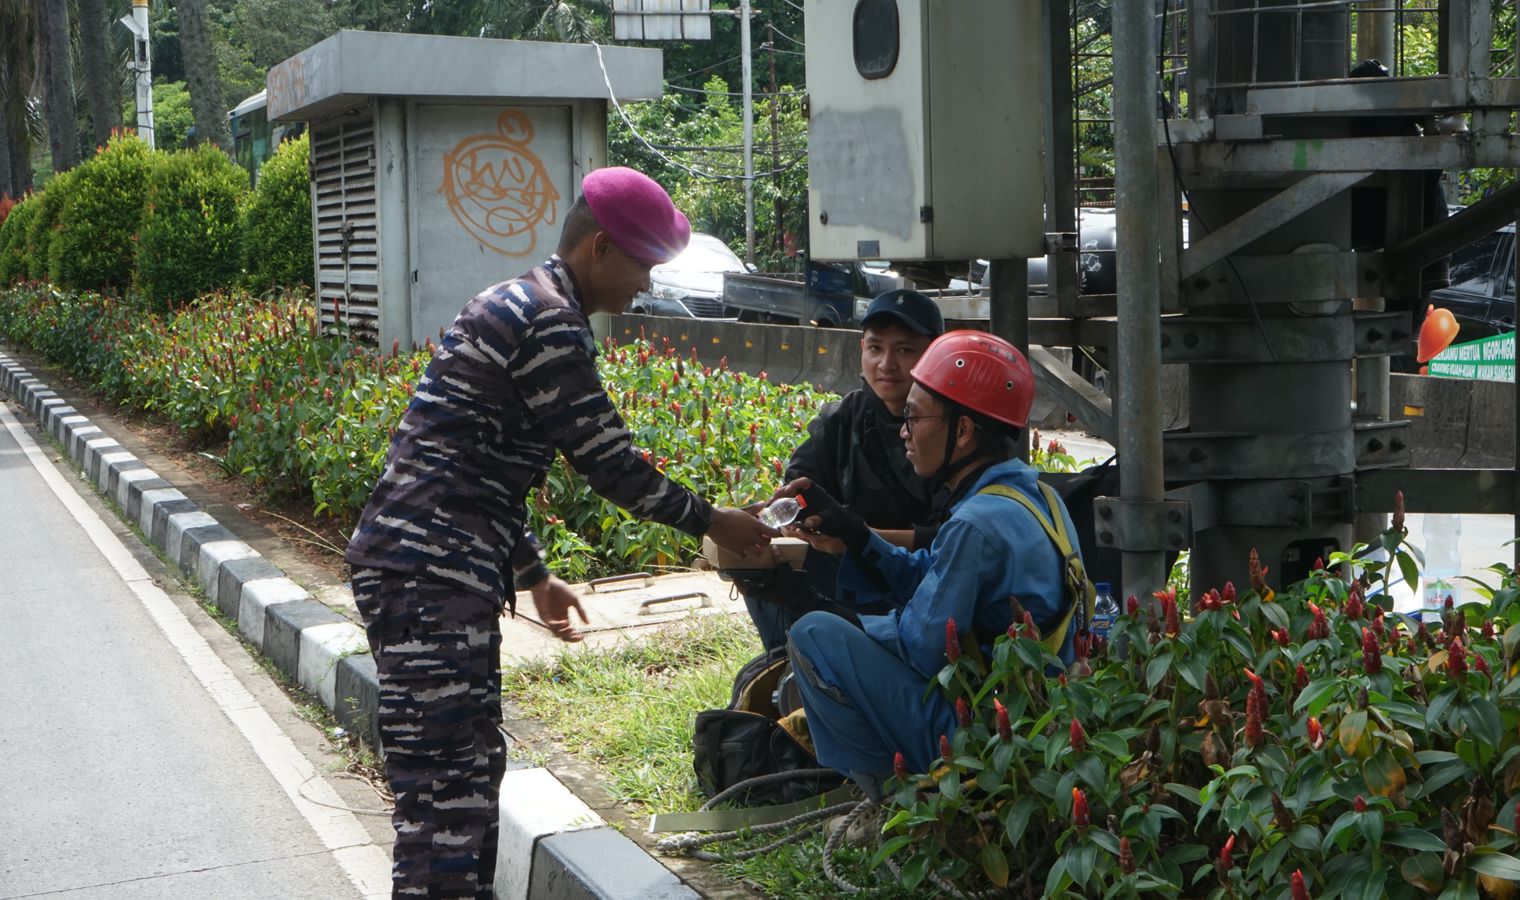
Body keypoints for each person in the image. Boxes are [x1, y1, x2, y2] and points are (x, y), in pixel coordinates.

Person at [345, 166, 773, 899]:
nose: (646, 284)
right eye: (643, 265)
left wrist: (534, 575)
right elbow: (607, 461)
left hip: (433, 569)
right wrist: (713, 522)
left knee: (472, 778)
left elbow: (467, 464)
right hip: (428, 578)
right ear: (601, 250)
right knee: (445, 803)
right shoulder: (549, 321)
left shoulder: (513, 300)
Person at [778, 330, 1092, 793]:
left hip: (986, 734)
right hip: (1041, 721)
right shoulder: (1038, 497)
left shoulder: (976, 523)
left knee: (814, 636)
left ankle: (889, 799)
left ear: (962, 432)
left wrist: (858, 628)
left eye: (913, 416)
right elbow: (934, 573)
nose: (904, 431)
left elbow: (924, 648)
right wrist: (856, 535)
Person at [739, 288, 946, 650]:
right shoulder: (844, 417)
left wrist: (861, 537)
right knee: (758, 560)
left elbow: (951, 538)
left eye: (905, 350)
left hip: (925, 576)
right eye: (875, 348)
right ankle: (786, 664)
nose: (886, 364)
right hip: (846, 560)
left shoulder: (953, 425)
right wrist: (794, 517)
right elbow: (800, 482)